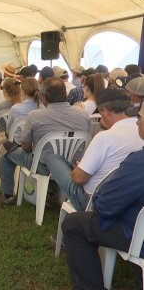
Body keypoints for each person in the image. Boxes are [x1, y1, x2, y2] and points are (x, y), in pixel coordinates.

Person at [62, 102, 144, 290]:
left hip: (136, 237)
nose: (137, 122)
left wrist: (99, 200)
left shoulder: (139, 162)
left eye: (139, 118)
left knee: (74, 223)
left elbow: (105, 206)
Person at [0, 77, 89, 205]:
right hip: (72, 165)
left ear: (44, 97)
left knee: (6, 150)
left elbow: (26, 147)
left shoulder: (35, 116)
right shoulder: (82, 114)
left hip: (43, 166)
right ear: (65, 94)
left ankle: (8, 195)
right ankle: (50, 190)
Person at [46, 86, 143, 211]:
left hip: (93, 202)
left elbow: (78, 179)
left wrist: (77, 170)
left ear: (106, 112)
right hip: (128, 200)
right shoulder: (140, 131)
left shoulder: (105, 137)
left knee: (53, 159)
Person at [5, 77, 41, 144]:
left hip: (19, 145)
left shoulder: (15, 109)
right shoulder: (44, 107)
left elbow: (8, 130)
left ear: (22, 91)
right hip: (38, 146)